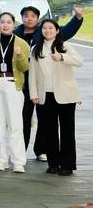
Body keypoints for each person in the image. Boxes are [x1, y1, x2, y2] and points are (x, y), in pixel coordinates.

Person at [14, 5, 83, 162]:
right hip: (28, 86)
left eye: (33, 16)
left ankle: (49, 154)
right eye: (26, 15)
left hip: (56, 90)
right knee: (29, 121)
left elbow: (78, 58)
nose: (29, 19)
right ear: (21, 18)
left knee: (56, 126)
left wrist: (77, 18)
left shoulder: (57, 41)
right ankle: (24, 153)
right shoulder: (19, 36)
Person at [29, 19, 84, 176]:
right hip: (45, 96)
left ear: (57, 30)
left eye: (51, 28)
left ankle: (67, 165)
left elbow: (79, 61)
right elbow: (32, 74)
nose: (47, 30)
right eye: (44, 28)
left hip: (66, 96)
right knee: (49, 131)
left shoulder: (65, 46)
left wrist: (62, 57)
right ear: (41, 31)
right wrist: (34, 94)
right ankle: (53, 164)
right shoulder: (36, 49)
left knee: (67, 131)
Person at [0, 12, 30, 173]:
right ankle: (1, 159)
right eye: (2, 22)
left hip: (12, 83)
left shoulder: (22, 43)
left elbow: (25, 68)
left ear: (13, 24)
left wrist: (19, 55)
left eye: (9, 22)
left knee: (15, 124)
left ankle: (18, 161)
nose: (5, 25)